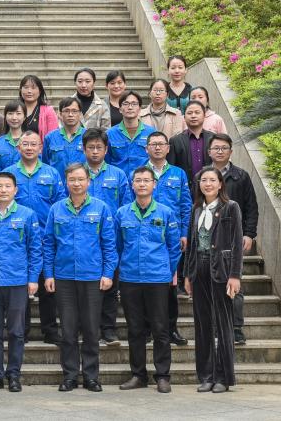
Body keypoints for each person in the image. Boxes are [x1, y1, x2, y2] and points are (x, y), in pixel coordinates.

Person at [44, 163, 117, 392]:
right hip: (64, 276)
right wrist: (48, 274)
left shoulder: (101, 208)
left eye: (80, 179)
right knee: (67, 330)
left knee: (91, 329)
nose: (76, 183)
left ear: (88, 181)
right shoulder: (56, 209)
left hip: (92, 277)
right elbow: (49, 244)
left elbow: (109, 244)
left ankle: (91, 376)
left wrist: (108, 273)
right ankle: (70, 376)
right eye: (72, 180)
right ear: (66, 182)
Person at [0, 171, 42, 393]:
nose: (3, 190)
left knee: (16, 331)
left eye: (7, 186)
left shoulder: (27, 215)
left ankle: (14, 374)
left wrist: (33, 279)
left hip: (17, 281)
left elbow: (35, 249)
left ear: (15, 190)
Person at [116, 166, 182, 394]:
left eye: (146, 180)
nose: (142, 184)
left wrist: (166, 271)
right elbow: (118, 245)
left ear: (154, 184)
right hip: (130, 278)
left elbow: (174, 247)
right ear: (132, 185)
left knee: (160, 329)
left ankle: (163, 376)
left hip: (157, 279)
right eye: (138, 180)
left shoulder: (165, 212)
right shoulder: (122, 213)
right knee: (135, 329)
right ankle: (138, 375)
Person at [185, 166, 244, 393]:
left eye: (212, 180)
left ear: (220, 184)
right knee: (203, 325)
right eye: (204, 180)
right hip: (199, 269)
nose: (207, 184)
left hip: (221, 270)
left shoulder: (231, 207)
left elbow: (237, 243)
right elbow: (192, 244)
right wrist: (188, 275)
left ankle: (223, 377)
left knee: (223, 324)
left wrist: (235, 275)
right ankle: (206, 375)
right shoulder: (196, 209)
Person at [5, 131, 64, 346]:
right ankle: (22, 330)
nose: (29, 148)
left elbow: (60, 204)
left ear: (41, 148)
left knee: (48, 284)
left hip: (46, 237)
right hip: (17, 238)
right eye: (25, 144)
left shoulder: (52, 173)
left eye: (33, 144)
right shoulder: (9, 174)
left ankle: (50, 330)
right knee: (21, 286)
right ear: (18, 148)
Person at [206, 133, 259, 345]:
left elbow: (251, 207)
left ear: (231, 151)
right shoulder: (203, 175)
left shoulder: (241, 176)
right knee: (211, 284)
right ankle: (215, 326)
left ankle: (236, 327)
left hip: (232, 238)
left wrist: (249, 234)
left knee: (234, 281)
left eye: (224, 148)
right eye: (216, 148)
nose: (220, 151)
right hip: (207, 237)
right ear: (209, 152)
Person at [82, 128, 131, 347]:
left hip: (111, 238)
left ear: (106, 149)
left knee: (110, 284)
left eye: (99, 147)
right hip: (83, 239)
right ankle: (87, 328)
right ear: (83, 149)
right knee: (85, 287)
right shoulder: (76, 173)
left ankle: (108, 329)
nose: (95, 151)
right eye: (90, 147)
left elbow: (126, 206)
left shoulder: (118, 175)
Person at [145, 131, 192, 345]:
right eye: (153, 144)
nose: (157, 147)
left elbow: (185, 205)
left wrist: (184, 233)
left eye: (161, 144)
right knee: (146, 285)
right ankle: (147, 329)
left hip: (171, 238)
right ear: (146, 148)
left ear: (167, 148)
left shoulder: (178, 174)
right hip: (146, 236)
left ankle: (171, 329)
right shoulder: (139, 172)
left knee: (171, 286)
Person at [106, 90, 156, 177]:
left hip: (143, 181)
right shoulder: (110, 134)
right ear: (120, 109)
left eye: (134, 104)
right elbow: (107, 161)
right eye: (126, 104)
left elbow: (155, 159)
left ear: (140, 109)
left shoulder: (151, 133)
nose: (130, 107)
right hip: (118, 180)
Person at [167, 100, 215, 186]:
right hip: (185, 188)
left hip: (210, 187)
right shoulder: (175, 141)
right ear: (184, 117)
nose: (193, 116)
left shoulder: (213, 138)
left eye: (197, 112)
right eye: (189, 113)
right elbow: (171, 169)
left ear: (204, 116)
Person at [43, 97, 87, 174]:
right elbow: (45, 165)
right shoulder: (50, 137)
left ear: (80, 114)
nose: (70, 114)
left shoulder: (88, 136)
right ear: (60, 114)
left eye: (74, 111)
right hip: (57, 181)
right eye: (66, 111)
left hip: (81, 181)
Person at [19, 74, 59, 141]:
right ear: (20, 90)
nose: (29, 91)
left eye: (33, 88)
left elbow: (53, 138)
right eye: (26, 87)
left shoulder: (48, 111)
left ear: (40, 91)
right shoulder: (15, 109)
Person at [0, 100, 25, 169]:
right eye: (10, 113)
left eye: (18, 113)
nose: (14, 117)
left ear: (24, 117)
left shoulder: (31, 141)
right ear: (5, 117)